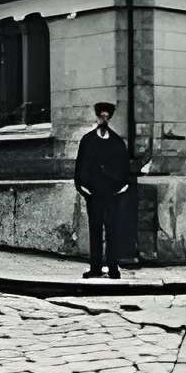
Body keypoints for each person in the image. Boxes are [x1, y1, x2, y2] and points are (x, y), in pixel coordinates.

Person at [73, 100, 132, 279]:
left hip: (112, 194)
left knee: (113, 230)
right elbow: (80, 166)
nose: (103, 119)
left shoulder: (117, 142)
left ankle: (113, 267)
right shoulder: (87, 140)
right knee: (95, 230)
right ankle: (95, 268)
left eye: (106, 117)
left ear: (110, 118)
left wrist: (122, 187)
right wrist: (83, 188)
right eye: (101, 116)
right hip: (94, 194)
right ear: (97, 117)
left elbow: (124, 168)